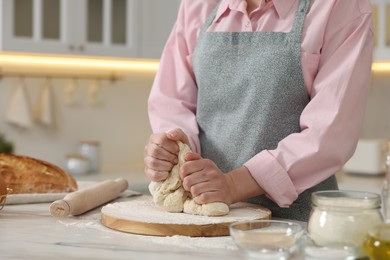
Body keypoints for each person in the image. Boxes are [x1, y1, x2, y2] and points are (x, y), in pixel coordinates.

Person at [143, 0, 374, 221]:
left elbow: (328, 134)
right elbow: (172, 101)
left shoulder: (339, 5)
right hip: (203, 218)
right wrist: (175, 147)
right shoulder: (198, 4)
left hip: (292, 224)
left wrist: (233, 184)